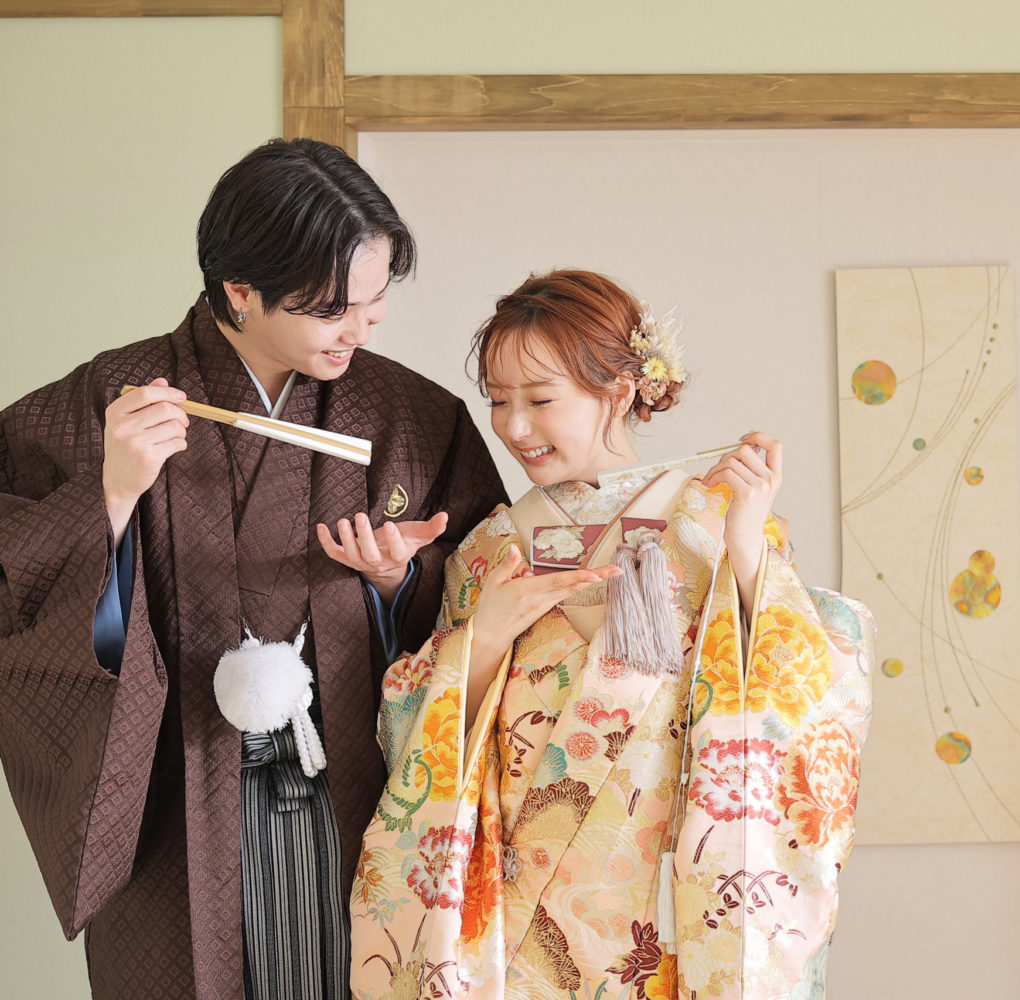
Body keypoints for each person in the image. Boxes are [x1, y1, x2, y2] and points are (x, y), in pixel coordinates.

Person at [0, 138, 505, 1000]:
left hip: (364, 790)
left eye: (376, 302)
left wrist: (399, 584)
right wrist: (110, 496)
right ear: (239, 290)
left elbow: (485, 586)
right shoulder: (112, 401)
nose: (361, 329)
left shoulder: (412, 415)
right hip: (173, 805)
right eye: (333, 310)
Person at [349, 269, 874, 999]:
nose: (513, 427)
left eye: (540, 400)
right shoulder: (490, 547)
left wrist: (747, 548)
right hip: (519, 919)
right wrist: (483, 641)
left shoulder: (712, 521)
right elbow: (418, 739)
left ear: (620, 392)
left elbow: (807, 694)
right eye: (498, 401)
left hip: (664, 895)